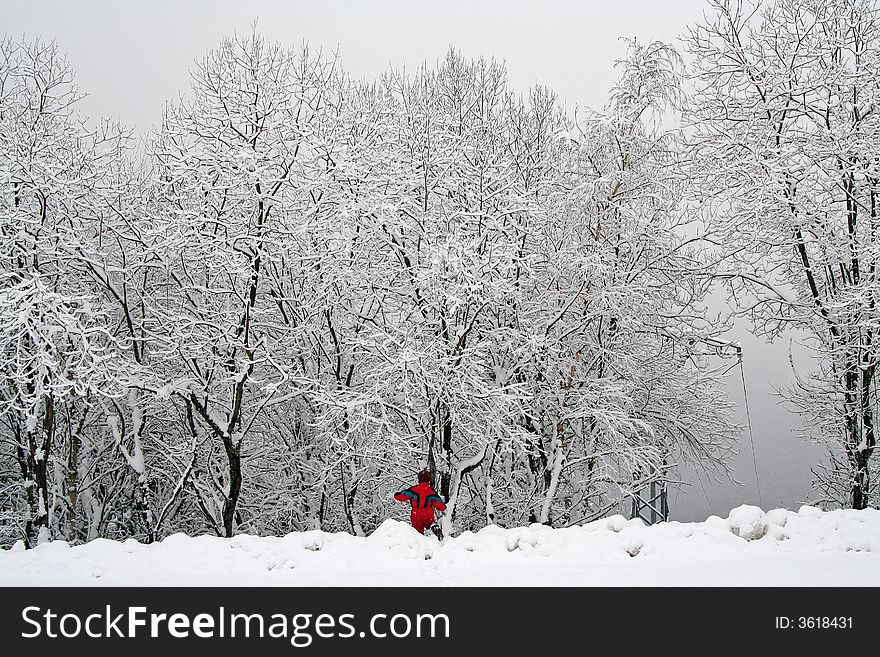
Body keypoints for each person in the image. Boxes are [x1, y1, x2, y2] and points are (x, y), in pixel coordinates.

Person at [394, 469, 446, 534]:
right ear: (429, 479)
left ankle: (419, 541)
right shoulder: (431, 492)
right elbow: (439, 504)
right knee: (430, 524)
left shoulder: (413, 490)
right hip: (428, 514)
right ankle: (434, 528)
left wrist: (396, 495)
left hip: (416, 514)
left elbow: (402, 496)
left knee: (417, 533)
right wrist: (443, 507)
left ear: (419, 479)